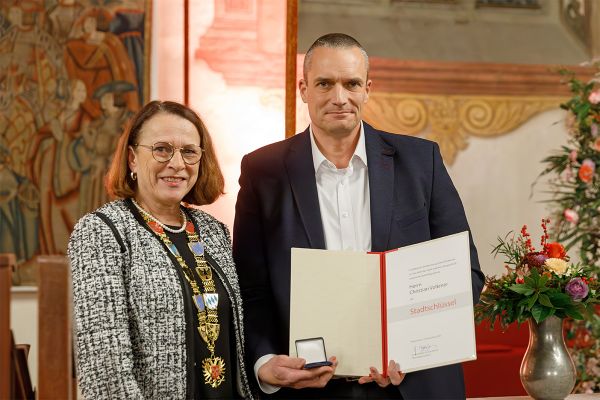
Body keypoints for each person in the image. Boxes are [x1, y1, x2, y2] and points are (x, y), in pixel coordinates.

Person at [233, 33, 485, 399]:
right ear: (303, 89)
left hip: (412, 384)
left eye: (351, 83)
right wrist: (264, 362)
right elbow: (249, 290)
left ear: (368, 88)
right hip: (307, 387)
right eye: (324, 84)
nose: (339, 97)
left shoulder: (421, 162)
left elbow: (466, 274)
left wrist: (414, 345)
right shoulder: (263, 171)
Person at [68, 101, 255, 399]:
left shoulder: (213, 230)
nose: (177, 163)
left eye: (189, 151)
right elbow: (105, 373)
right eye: (162, 149)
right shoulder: (102, 231)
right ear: (132, 158)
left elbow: (234, 342)